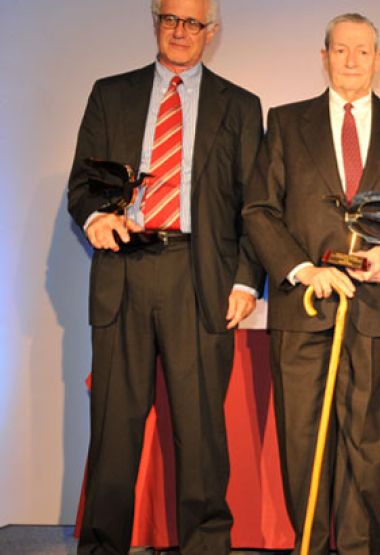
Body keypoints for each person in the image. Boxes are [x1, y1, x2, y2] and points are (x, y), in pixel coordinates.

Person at [66, 0, 264, 553]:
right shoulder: (112, 94)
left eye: (193, 22)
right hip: (122, 272)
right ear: (155, 23)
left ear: (211, 32)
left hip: (200, 279)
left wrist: (247, 282)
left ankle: (205, 547)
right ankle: (103, 546)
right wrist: (95, 216)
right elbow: (81, 185)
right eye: (170, 19)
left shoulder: (241, 106)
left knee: (201, 435)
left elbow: (256, 205)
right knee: (114, 430)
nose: (181, 31)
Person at [242, 13, 380, 555]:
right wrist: (306, 269)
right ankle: (309, 546)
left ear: (379, 60)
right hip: (303, 305)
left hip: (375, 306)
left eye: (363, 51)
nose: (352, 60)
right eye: (341, 50)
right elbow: (259, 211)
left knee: (368, 445)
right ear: (324, 56)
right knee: (303, 441)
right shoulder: (285, 122)